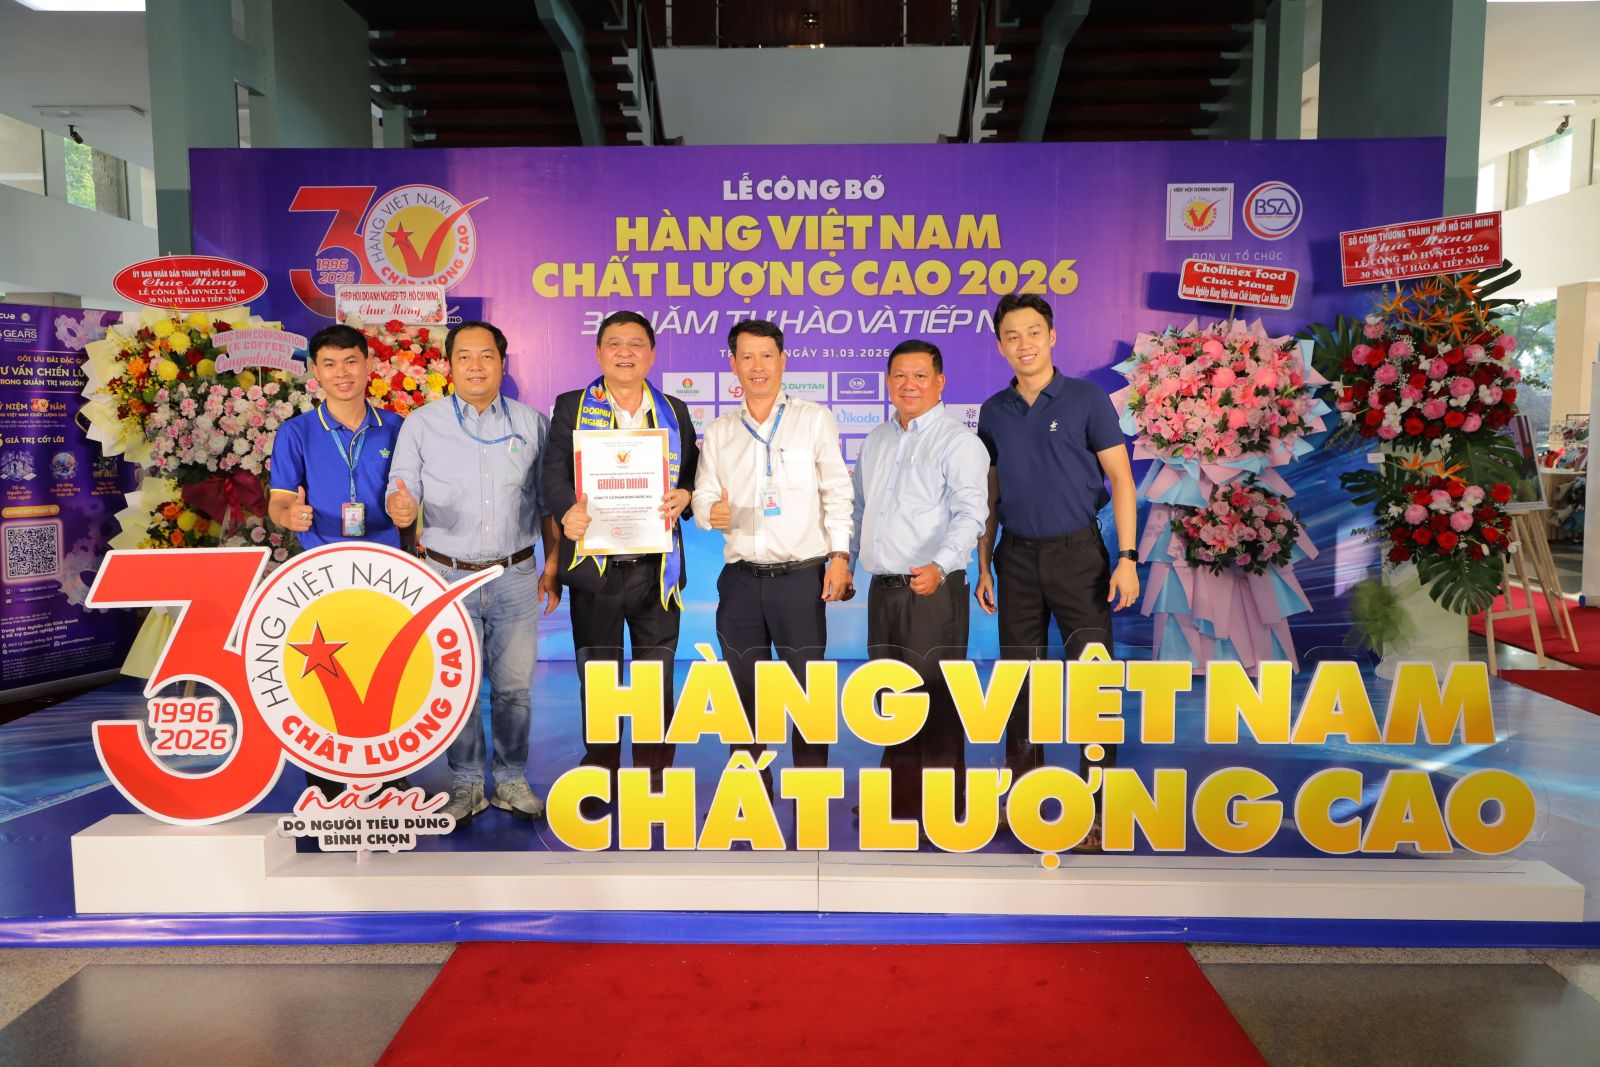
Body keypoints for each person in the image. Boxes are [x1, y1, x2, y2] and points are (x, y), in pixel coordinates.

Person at [975, 293, 1140, 850]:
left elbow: (1121, 480)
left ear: (1051, 336)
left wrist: (1127, 559)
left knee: (1092, 684)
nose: (1024, 344)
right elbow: (990, 494)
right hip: (1016, 559)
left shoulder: (1087, 400)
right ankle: (1023, 795)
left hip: (1079, 558)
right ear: (1000, 346)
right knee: (1020, 683)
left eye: (1033, 332)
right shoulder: (993, 411)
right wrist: (984, 563)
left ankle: (1098, 808)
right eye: (1012, 336)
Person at [385, 320, 561, 827]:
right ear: (449, 365)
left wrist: (552, 566)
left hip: (515, 574)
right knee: (456, 686)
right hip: (447, 577)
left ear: (503, 363)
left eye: (487, 356)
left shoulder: (532, 424)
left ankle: (510, 779)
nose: (476, 366)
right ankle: (465, 782)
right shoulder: (422, 424)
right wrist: (400, 505)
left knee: (514, 688)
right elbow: (402, 487)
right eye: (464, 356)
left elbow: (547, 504)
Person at [543, 310, 699, 800]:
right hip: (596, 569)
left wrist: (687, 495)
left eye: (635, 344)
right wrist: (566, 509)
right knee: (600, 677)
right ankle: (602, 773)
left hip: (657, 570)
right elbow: (552, 473)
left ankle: (654, 778)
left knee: (656, 679)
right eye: (614, 343)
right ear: (598, 353)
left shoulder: (675, 410)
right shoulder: (572, 406)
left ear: (651, 354)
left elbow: (692, 475)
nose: (624, 352)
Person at [691, 319, 854, 779]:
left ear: (783, 360)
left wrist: (839, 556)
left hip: (801, 578)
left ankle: (811, 789)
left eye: (766, 355)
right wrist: (708, 511)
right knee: (742, 692)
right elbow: (703, 493)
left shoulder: (813, 418)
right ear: (733, 364)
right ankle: (749, 791)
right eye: (747, 357)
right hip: (741, 580)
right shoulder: (720, 430)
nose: (757, 366)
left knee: (807, 693)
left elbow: (837, 491)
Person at [851, 339, 988, 825]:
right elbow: (860, 509)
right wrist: (846, 562)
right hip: (883, 589)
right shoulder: (877, 439)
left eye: (920, 375)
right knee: (891, 697)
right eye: (899, 376)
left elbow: (971, 515)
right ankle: (899, 798)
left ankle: (944, 807)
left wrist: (942, 565)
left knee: (937, 697)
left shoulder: (958, 442)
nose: (908, 385)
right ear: (888, 381)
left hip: (933, 588)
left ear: (940, 381)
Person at [267, 323, 403, 802]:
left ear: (369, 366)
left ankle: (389, 778)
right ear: (315, 372)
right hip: (320, 572)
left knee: (386, 675)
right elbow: (279, 501)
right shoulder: (297, 432)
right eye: (329, 364)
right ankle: (325, 784)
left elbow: (413, 494)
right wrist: (290, 515)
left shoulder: (398, 428)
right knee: (324, 676)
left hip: (387, 571)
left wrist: (410, 512)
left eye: (350, 362)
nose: (341, 373)